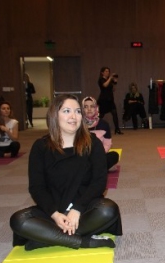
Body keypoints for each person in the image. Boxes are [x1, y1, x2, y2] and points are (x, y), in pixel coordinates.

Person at [9, 94, 122, 251]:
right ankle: (82, 241)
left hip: (84, 210)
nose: (73, 116)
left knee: (108, 210)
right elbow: (37, 187)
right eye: (67, 111)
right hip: (54, 211)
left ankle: (47, 238)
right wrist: (55, 214)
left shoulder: (92, 143)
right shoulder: (41, 146)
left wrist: (77, 209)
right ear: (55, 114)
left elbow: (99, 182)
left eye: (77, 111)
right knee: (19, 220)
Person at [82, 96, 120, 171]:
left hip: (99, 155)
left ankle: (93, 169)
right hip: (83, 156)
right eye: (86, 107)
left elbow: (107, 143)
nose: (89, 109)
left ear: (96, 108)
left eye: (92, 106)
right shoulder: (78, 124)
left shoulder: (104, 124)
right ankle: (102, 168)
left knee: (114, 155)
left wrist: (100, 153)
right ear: (82, 109)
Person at [97, 66, 122, 134]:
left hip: (110, 99)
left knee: (115, 114)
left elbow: (113, 89)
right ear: (102, 73)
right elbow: (104, 85)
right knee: (101, 115)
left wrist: (114, 83)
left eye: (108, 71)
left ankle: (117, 129)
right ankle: (94, 126)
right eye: (106, 71)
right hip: (103, 100)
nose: (108, 72)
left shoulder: (109, 80)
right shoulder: (101, 79)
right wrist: (110, 78)